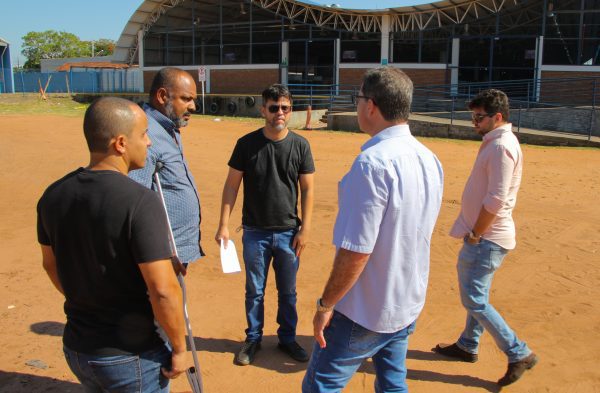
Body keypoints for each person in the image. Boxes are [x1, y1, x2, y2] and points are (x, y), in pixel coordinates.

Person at [302, 67, 443, 393]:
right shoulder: (429, 158)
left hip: (364, 310)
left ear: (371, 106)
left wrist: (326, 305)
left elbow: (356, 250)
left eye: (359, 98)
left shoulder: (372, 164)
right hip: (406, 301)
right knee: (393, 384)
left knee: (319, 387)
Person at [37, 97, 189, 392]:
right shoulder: (140, 202)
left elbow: (51, 264)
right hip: (130, 357)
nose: (148, 143)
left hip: (78, 349)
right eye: (143, 134)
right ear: (120, 143)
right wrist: (180, 349)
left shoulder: (53, 195)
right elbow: (163, 290)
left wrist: (89, 298)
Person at [433, 89, 538, 386]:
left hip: (487, 238)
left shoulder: (501, 146)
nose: (474, 123)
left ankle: (519, 352)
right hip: (487, 236)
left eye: (479, 118)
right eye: (473, 116)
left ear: (498, 117)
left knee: (474, 300)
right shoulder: (496, 142)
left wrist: (477, 233)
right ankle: (468, 344)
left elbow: (495, 199)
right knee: (477, 295)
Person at [215, 84, 315, 366]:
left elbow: (307, 189)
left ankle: (287, 338)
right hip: (255, 233)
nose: (279, 113)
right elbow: (231, 186)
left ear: (290, 110)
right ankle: (253, 338)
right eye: (274, 107)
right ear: (263, 110)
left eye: (285, 107)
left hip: (288, 233)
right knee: (254, 290)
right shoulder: (246, 144)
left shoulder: (300, 145)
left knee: (288, 292)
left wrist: (305, 228)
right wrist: (224, 224)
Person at [129, 67, 204, 267]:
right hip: (161, 254)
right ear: (162, 96)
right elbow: (134, 202)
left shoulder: (168, 127)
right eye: (186, 99)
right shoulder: (146, 134)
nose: (193, 106)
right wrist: (156, 253)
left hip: (175, 251)